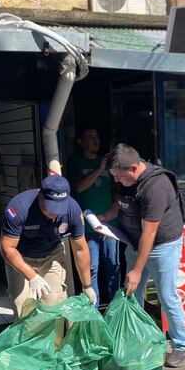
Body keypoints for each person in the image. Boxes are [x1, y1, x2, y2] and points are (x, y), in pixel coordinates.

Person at [100, 143, 185, 368]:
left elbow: (149, 234)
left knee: (167, 296)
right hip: (134, 242)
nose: (117, 181)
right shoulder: (125, 180)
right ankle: (140, 340)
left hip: (162, 246)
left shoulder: (155, 187)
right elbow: (119, 205)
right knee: (132, 295)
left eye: (120, 176)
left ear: (133, 168)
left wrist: (137, 271)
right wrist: (104, 218)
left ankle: (182, 345)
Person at [0, 175, 96, 318]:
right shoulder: (19, 207)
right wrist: (32, 276)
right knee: (22, 309)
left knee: (54, 307)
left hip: (52, 255)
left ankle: (55, 340)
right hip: (20, 257)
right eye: (50, 207)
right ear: (40, 195)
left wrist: (87, 286)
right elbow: (7, 248)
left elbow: (80, 249)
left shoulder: (72, 210)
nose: (54, 213)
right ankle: (28, 340)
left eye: (59, 208)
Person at [67, 129, 120, 306]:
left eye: (97, 137)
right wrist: (99, 169)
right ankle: (94, 308)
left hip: (109, 225)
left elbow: (116, 191)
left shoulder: (105, 162)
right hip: (88, 226)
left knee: (113, 265)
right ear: (81, 142)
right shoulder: (76, 161)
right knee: (92, 268)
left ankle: (115, 307)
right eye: (90, 137)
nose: (95, 140)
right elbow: (80, 188)